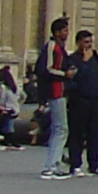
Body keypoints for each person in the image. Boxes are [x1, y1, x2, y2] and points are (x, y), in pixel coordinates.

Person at [64, 31, 98, 177]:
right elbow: (73, 79)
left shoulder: (95, 58)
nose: (89, 45)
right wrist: (84, 62)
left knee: (94, 134)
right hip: (79, 100)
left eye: (90, 42)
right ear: (78, 43)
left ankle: (94, 165)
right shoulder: (72, 59)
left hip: (94, 100)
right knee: (77, 133)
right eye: (86, 42)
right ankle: (75, 164)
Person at [34, 17, 72, 179]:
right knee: (60, 129)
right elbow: (45, 69)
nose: (67, 33)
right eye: (64, 30)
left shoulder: (58, 47)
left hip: (59, 90)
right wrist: (65, 74)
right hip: (55, 90)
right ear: (57, 32)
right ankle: (52, 165)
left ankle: (54, 163)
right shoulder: (52, 47)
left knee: (60, 128)